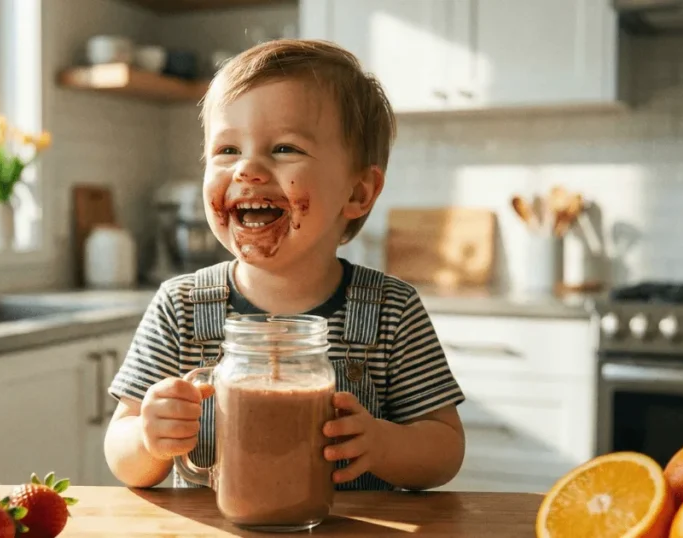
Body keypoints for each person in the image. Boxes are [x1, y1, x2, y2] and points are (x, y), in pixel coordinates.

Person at [103, 38, 466, 492]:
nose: (247, 170)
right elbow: (121, 452)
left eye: (284, 149)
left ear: (357, 193)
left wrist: (384, 445)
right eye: (227, 151)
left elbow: (445, 449)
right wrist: (147, 437)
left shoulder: (392, 310)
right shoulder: (181, 306)